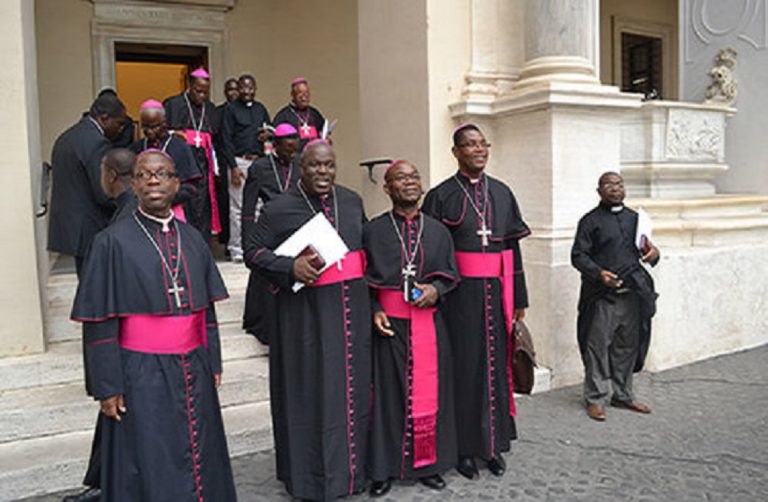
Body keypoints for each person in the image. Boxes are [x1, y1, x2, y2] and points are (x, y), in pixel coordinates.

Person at [70, 150, 237, 501]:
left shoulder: (193, 239)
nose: (153, 180)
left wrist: (214, 361)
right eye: (144, 175)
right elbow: (99, 323)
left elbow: (205, 309)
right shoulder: (110, 243)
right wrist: (107, 385)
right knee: (148, 455)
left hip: (193, 363)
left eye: (162, 174)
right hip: (138, 369)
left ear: (176, 183)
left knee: (199, 447)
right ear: (134, 184)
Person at [243, 140, 371, 500]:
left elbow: (362, 252)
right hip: (305, 322)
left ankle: (353, 473)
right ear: (301, 168)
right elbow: (253, 252)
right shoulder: (279, 208)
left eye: (329, 166)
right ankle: (311, 480)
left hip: (351, 314)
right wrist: (289, 267)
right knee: (311, 397)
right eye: (314, 166)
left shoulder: (351, 201)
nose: (323, 173)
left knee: (352, 394)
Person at [422, 123, 530, 480]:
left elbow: (512, 249)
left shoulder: (502, 193)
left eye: (483, 144)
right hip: (458, 299)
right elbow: (429, 252)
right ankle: (465, 449)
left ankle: (493, 446)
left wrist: (519, 298)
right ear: (456, 152)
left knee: (495, 371)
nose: (478, 150)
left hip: (496, 296)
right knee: (465, 372)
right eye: (470, 145)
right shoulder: (440, 196)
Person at [364, 160, 459, 497]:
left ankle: (427, 466)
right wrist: (374, 309)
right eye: (401, 178)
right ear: (387, 188)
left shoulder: (437, 230)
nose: (410, 182)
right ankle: (384, 468)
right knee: (387, 399)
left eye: (415, 176)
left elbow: (450, 274)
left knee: (430, 396)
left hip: (427, 324)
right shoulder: (372, 230)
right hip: (388, 328)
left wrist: (435, 290)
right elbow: (364, 282)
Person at [571, 171, 660, 421]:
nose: (615, 189)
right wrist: (599, 274)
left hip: (632, 295)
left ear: (625, 189)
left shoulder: (636, 219)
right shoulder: (589, 221)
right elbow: (578, 256)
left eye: (619, 184)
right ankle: (596, 398)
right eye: (608, 185)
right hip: (602, 296)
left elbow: (648, 249)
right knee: (597, 347)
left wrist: (654, 253)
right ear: (599, 191)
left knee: (626, 347)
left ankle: (623, 395)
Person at [48, 92, 127, 277]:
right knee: (97, 288)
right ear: (105, 118)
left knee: (86, 283)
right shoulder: (96, 142)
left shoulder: (68, 136)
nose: (122, 129)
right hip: (90, 227)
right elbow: (103, 192)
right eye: (120, 123)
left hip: (72, 226)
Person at [240, 123, 300, 344]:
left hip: (296, 229)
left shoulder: (301, 164)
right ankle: (262, 323)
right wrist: (248, 240)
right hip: (269, 228)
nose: (291, 154)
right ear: (275, 146)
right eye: (287, 149)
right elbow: (248, 207)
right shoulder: (260, 168)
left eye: (295, 148)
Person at [130, 99, 207, 235]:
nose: (149, 131)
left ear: (164, 124)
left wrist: (163, 199)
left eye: (154, 126)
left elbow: (192, 187)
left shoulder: (180, 147)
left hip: (174, 211)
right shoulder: (137, 148)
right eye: (145, 127)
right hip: (142, 213)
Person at [164, 68, 222, 239]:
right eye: (198, 91)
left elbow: (215, 138)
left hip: (204, 165)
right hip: (182, 164)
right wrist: (174, 134)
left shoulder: (210, 108)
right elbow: (162, 131)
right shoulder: (173, 104)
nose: (202, 96)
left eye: (206, 92)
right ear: (189, 85)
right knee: (186, 203)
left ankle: (203, 245)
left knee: (203, 205)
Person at [221, 74, 271, 262]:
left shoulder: (260, 109)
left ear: (255, 89)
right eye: (243, 88)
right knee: (237, 207)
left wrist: (267, 135)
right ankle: (237, 249)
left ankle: (255, 246)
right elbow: (225, 139)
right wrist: (233, 167)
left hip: (258, 162)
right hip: (238, 162)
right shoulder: (230, 110)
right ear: (238, 89)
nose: (247, 92)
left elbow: (269, 130)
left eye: (251, 88)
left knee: (258, 205)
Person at [211, 77, 240, 251]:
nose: (234, 93)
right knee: (224, 202)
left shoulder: (248, 109)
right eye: (230, 90)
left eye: (236, 89)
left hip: (238, 160)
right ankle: (227, 241)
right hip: (221, 160)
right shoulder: (218, 111)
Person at [272, 77, 326, 150]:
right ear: (292, 95)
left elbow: (322, 131)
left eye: (306, 94)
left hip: (313, 156)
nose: (304, 98)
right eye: (300, 95)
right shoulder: (283, 115)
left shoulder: (314, 113)